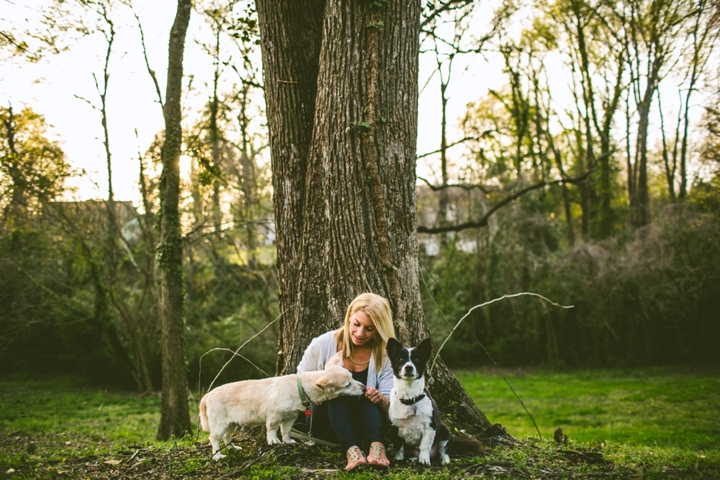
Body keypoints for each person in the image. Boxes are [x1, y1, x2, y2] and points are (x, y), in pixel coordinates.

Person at [297, 292, 395, 471]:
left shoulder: (384, 355)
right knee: (337, 394)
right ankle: (351, 450)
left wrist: (381, 399)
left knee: (364, 391)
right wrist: (314, 395)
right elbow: (299, 382)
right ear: (349, 317)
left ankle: (377, 447)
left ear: (379, 329)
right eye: (356, 324)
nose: (360, 333)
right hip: (327, 421)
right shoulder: (323, 344)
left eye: (369, 329)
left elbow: (391, 402)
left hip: (368, 422)